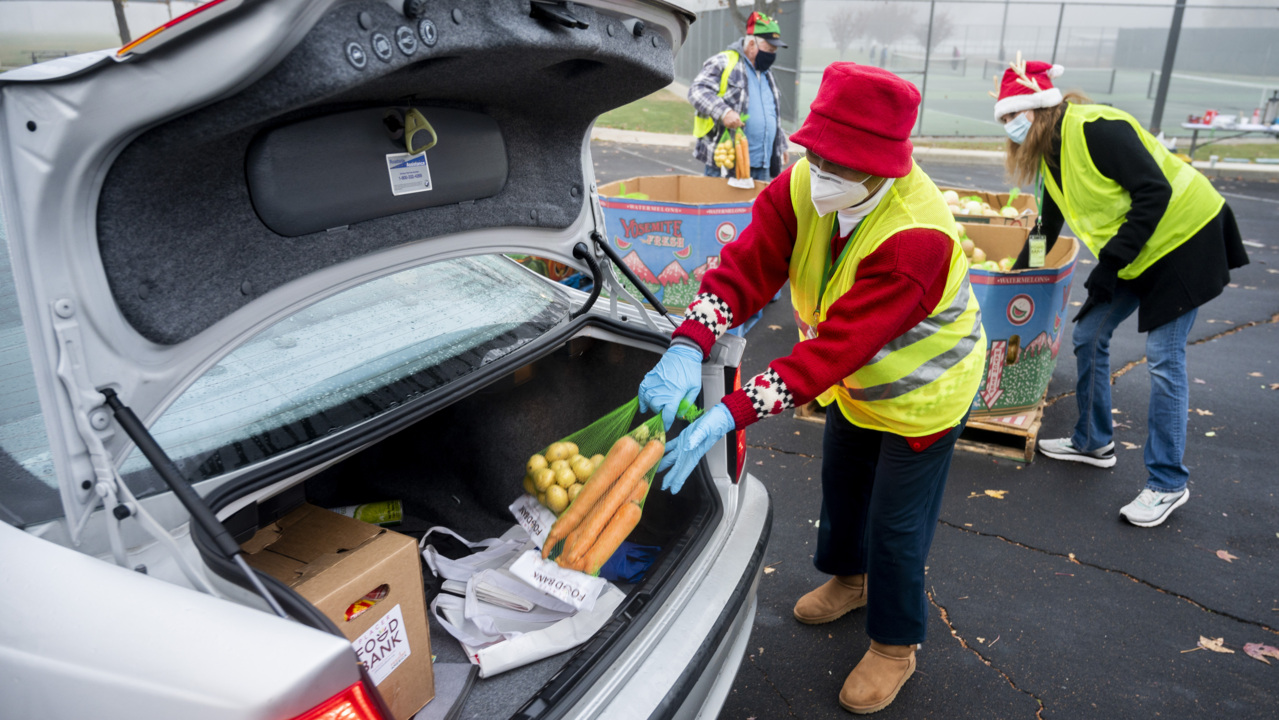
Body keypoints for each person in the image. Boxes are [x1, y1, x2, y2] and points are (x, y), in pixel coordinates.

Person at [640, 64, 986, 715]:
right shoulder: (807, 183)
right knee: (844, 487)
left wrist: (733, 413)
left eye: (836, 163)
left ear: (881, 167)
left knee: (895, 522)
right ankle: (850, 580)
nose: (816, 170)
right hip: (856, 386)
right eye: (814, 154)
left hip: (922, 395)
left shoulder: (917, 239)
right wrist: (690, 341)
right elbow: (747, 266)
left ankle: (893, 644)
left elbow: (835, 348)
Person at [993, 56, 1248, 528]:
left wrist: (1108, 265)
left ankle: (1168, 483)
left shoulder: (1098, 127)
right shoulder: (1050, 157)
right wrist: (1009, 279)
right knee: (1090, 335)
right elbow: (1046, 228)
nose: (1010, 126)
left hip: (1185, 236)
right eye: (1003, 119)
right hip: (1139, 247)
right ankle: (1092, 442)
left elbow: (1154, 191)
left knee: (1164, 356)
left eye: (1014, 115)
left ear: (1039, 106)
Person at [688, 11, 788, 181]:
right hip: (727, 163)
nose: (772, 55)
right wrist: (724, 112)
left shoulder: (767, 74)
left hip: (762, 166)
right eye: (769, 50)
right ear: (751, 44)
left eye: (774, 51)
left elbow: (770, 112)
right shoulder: (724, 62)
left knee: (757, 209)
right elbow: (697, 90)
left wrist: (781, 144)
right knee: (722, 208)